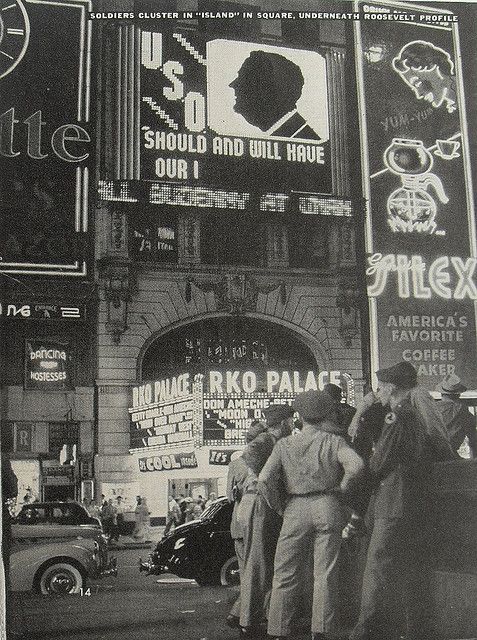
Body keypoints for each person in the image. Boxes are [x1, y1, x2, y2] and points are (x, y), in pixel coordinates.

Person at [349, 361, 453, 640]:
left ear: (392, 387)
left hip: (394, 499)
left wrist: (360, 481)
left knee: (377, 565)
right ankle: (411, 629)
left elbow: (380, 461)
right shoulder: (412, 414)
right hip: (412, 498)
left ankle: (364, 631)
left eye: (382, 386)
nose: (379, 391)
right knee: (409, 565)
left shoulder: (398, 416)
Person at [259, 391, 364, 640]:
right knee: (325, 573)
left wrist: (279, 506)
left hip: (295, 507)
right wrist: (342, 486)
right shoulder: (333, 441)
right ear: (326, 414)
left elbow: (264, 479)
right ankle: (321, 631)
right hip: (327, 505)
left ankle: (278, 631)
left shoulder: (284, 445)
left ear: (300, 417)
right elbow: (357, 465)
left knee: (285, 572)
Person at [238, 404, 295, 638]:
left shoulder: (272, 441)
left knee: (266, 562)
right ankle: (248, 621)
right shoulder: (266, 440)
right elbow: (249, 457)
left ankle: (252, 615)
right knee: (259, 562)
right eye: (291, 421)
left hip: (264, 503)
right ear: (282, 423)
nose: (293, 425)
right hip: (263, 503)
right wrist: (274, 499)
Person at [225, 421, 267, 630]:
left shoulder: (235, 464)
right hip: (259, 517)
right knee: (260, 569)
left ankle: (244, 613)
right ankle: (243, 613)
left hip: (238, 522)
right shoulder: (265, 459)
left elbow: (229, 498)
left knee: (246, 571)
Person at [229, 50, 322, 140]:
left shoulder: (302, 142)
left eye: (244, 79)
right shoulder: (291, 137)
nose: (233, 85)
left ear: (265, 89)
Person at [436, 373, 477, 456]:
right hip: (451, 456)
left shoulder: (431, 408)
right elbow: (473, 439)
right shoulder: (462, 411)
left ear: (441, 393)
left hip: (428, 457)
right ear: (458, 394)